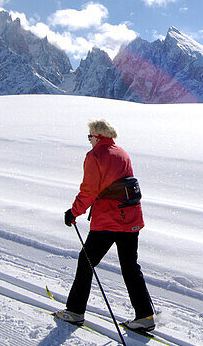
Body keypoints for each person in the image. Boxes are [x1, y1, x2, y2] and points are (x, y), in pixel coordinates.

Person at [54, 119, 156, 332]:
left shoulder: (95, 156)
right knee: (130, 267)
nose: (88, 140)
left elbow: (89, 191)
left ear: (97, 136)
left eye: (89, 136)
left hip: (109, 220)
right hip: (131, 218)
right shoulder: (122, 153)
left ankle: (74, 312)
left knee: (86, 262)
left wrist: (73, 212)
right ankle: (145, 315)